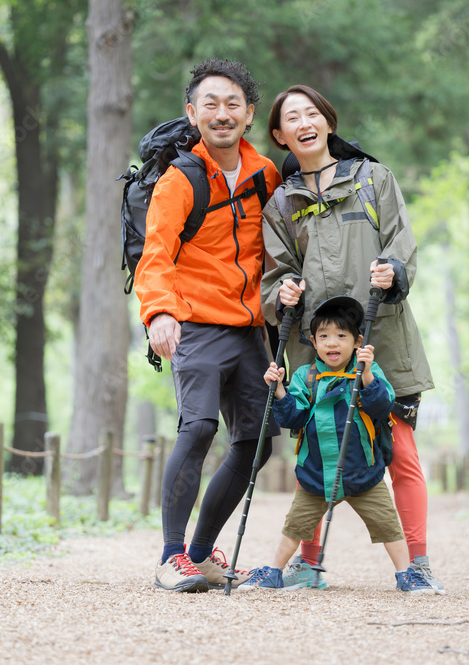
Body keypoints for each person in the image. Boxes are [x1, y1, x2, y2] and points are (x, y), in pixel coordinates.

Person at [260, 85, 444, 592]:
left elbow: (401, 244)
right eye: (291, 117)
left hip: (381, 337)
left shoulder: (374, 179)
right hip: (315, 351)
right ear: (280, 135)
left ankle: (418, 562)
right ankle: (308, 564)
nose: (304, 121)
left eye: (312, 112)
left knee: (401, 454)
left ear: (328, 121)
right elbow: (274, 276)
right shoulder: (281, 201)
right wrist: (285, 291)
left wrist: (393, 270)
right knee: (316, 452)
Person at [134, 59, 283, 593]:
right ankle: (171, 557)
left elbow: (281, 250)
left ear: (249, 114)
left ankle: (202, 555)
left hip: (249, 331)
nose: (222, 114)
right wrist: (159, 312)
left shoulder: (267, 174)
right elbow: (156, 254)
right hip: (194, 324)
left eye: (233, 104)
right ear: (192, 112)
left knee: (258, 440)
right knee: (197, 428)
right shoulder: (180, 178)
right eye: (211, 104)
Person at [236, 297, 434, 593]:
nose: (333, 343)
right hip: (317, 474)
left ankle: (407, 574)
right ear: (313, 342)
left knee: (387, 525)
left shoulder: (367, 371)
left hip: (363, 473)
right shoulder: (307, 376)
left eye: (342, 336)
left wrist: (366, 375)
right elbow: (294, 417)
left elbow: (382, 407)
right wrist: (278, 391)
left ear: (357, 342)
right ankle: (275, 571)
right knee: (295, 526)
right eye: (324, 336)